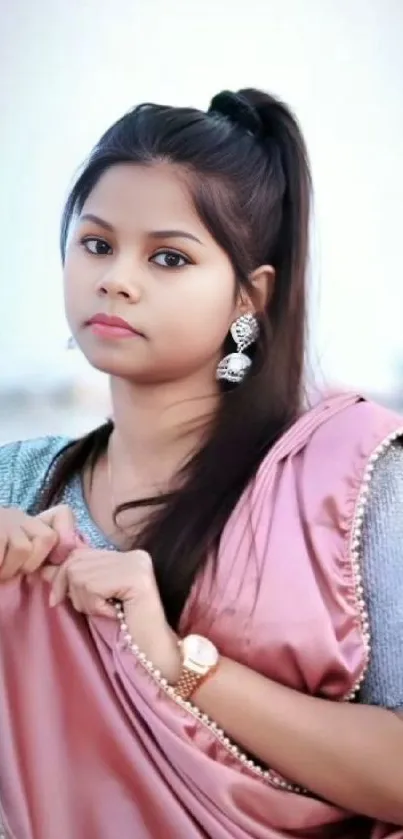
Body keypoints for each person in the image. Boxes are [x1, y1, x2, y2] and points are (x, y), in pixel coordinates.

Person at [0, 88, 402, 839]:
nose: (117, 277)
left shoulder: (350, 480)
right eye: (96, 244)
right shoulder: (18, 484)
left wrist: (176, 658)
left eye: (168, 257)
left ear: (248, 297)